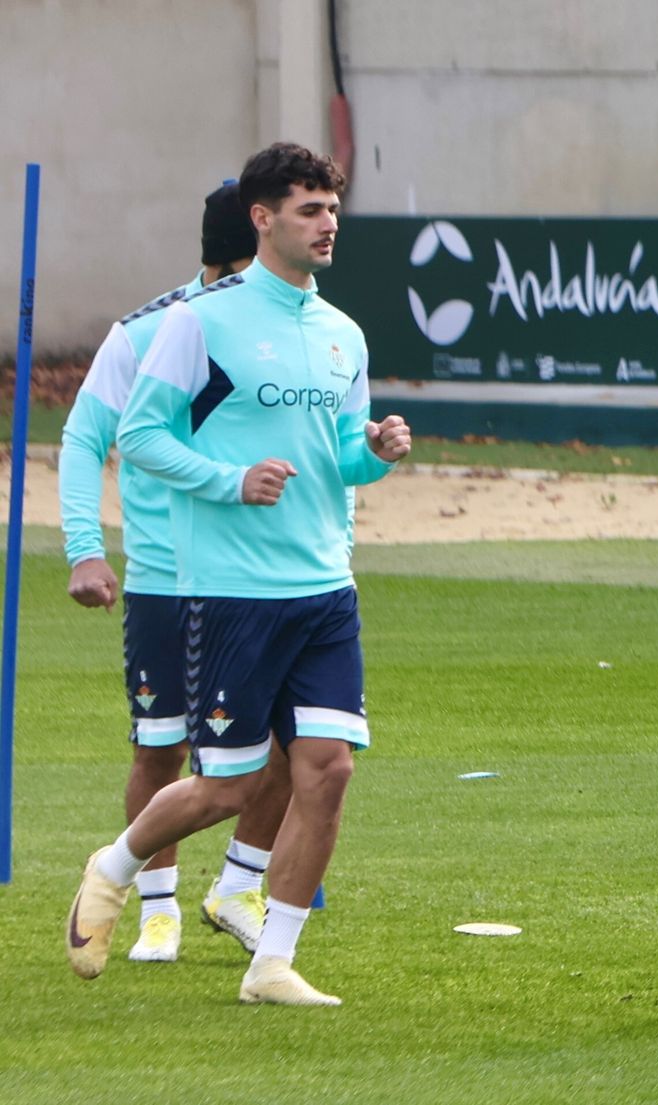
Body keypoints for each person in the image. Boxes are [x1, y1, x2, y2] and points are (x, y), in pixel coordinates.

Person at [65, 142, 411, 1005]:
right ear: (262, 219)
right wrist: (231, 481)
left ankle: (272, 964)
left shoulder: (343, 334)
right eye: (309, 209)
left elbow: (338, 458)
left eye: (332, 208)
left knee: (326, 768)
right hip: (229, 593)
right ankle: (114, 867)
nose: (328, 224)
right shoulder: (198, 321)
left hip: (325, 587)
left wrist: (374, 453)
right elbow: (138, 438)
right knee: (228, 784)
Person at [59, 182, 291, 964]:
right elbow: (85, 439)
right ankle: (157, 910)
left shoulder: (295, 324)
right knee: (159, 750)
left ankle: (239, 886)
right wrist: (85, 548)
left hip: (265, 575)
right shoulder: (149, 330)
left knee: (296, 749)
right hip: (167, 578)